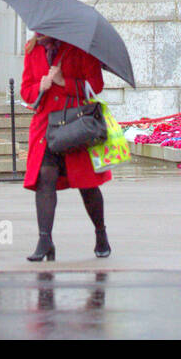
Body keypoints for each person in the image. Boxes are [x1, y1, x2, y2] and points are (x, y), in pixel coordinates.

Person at [19, 33, 110, 261]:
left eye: (43, 30)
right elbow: (25, 90)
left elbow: (96, 86)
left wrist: (63, 82)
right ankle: (45, 240)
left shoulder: (80, 48)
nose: (37, 33)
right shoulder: (32, 50)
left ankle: (101, 233)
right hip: (46, 127)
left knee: (87, 184)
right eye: (36, 29)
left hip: (75, 125)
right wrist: (40, 86)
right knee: (45, 177)